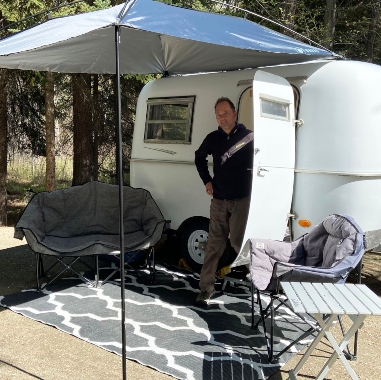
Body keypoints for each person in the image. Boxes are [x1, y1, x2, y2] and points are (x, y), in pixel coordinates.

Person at [194, 97, 254, 305]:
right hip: (219, 199)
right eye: (218, 115)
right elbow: (198, 157)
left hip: (241, 200)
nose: (222, 118)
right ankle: (206, 289)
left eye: (225, 113)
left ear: (235, 113)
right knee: (214, 245)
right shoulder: (213, 138)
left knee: (240, 242)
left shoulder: (249, 138)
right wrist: (207, 181)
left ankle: (259, 279)